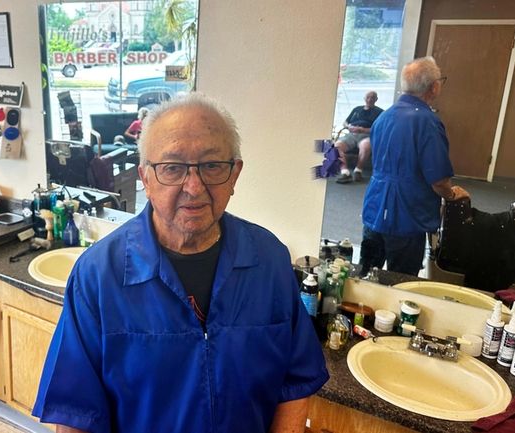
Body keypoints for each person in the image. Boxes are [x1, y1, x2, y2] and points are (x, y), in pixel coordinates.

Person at [33, 93, 329, 433]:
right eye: (172, 168)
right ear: (145, 178)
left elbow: (293, 385)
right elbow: (76, 415)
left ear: (235, 174)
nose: (194, 186)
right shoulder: (98, 275)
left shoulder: (270, 261)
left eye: (212, 166)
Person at [359, 57, 470, 277]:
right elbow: (438, 181)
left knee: (364, 276)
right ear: (434, 86)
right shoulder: (427, 122)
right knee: (402, 282)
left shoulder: (384, 117)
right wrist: (452, 194)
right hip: (406, 215)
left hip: (375, 207)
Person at [335, 91, 383, 184]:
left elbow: (380, 128)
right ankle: (345, 172)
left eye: (372, 98)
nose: (370, 99)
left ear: (376, 99)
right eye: (368, 97)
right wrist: (349, 126)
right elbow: (345, 122)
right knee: (336, 147)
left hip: (367, 135)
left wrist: (363, 130)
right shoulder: (356, 109)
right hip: (351, 134)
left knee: (366, 146)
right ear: (364, 98)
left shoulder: (380, 112)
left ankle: (358, 170)